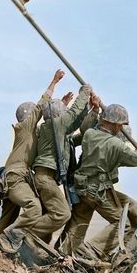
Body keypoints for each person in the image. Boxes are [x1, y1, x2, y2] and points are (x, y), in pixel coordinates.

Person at [62, 101, 137, 258]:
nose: (121, 128)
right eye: (121, 125)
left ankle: (65, 252)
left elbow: (88, 129)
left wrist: (95, 109)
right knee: (124, 225)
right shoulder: (116, 145)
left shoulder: (89, 135)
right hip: (98, 191)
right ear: (116, 124)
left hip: (82, 187)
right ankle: (92, 251)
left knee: (80, 221)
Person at [0, 70, 65, 251]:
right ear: (29, 116)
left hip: (13, 177)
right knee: (34, 207)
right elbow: (41, 105)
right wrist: (54, 82)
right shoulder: (25, 127)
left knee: (7, 217)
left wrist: (63, 105)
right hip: (16, 177)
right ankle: (9, 239)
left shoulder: (27, 133)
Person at [25, 82, 92, 243]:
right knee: (62, 213)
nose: (65, 114)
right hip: (46, 178)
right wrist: (85, 91)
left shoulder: (50, 128)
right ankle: (21, 234)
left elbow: (76, 122)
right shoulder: (56, 124)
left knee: (49, 215)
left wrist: (91, 109)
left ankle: (34, 245)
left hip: (44, 177)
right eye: (63, 112)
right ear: (57, 115)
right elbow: (74, 112)